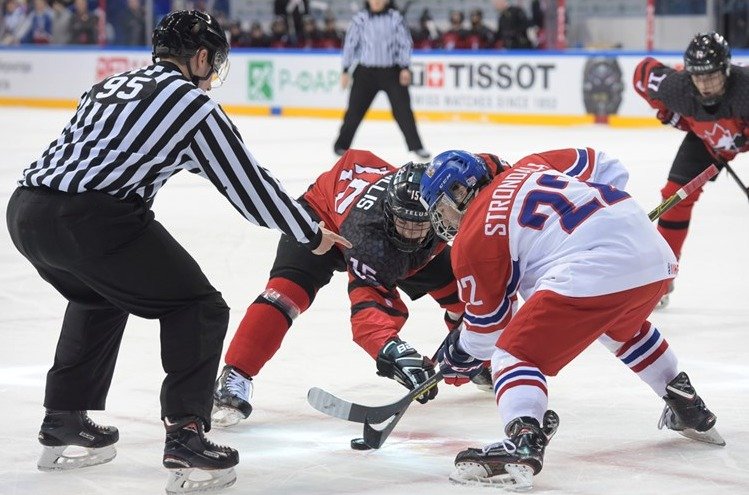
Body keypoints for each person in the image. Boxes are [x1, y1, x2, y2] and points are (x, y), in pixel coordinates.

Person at [5, 10, 348, 494]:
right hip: (92, 219)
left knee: (97, 294)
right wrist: (310, 232)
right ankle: (186, 436)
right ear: (201, 56)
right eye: (213, 61)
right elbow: (247, 186)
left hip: (26, 213)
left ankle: (63, 418)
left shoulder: (112, 84)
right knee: (198, 306)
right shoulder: (192, 105)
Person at [418, 148, 724, 489]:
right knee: (621, 329)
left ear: (461, 192)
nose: (443, 218)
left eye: (442, 206)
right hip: (653, 254)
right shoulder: (532, 165)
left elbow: (488, 330)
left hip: (593, 268)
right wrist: (597, 219)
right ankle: (685, 401)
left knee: (515, 354)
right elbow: (610, 166)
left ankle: (524, 439)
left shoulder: (473, 237)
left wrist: (458, 355)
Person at [212, 149, 497, 427]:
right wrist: (392, 352)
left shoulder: (442, 193)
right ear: (389, 213)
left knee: (468, 297)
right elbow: (368, 311)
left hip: (394, 238)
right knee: (284, 295)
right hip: (322, 221)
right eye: (403, 223)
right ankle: (236, 374)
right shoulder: (371, 242)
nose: (410, 233)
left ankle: (475, 357)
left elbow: (484, 169)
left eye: (418, 224)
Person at [633, 31, 748, 307]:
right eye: (698, 76)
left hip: (738, 132)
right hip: (707, 140)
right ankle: (663, 274)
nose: (705, 85)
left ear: (727, 70)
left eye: (712, 76)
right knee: (675, 197)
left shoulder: (746, 90)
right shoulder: (678, 87)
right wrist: (671, 113)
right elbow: (642, 74)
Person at [333, 0, 430, 161]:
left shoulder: (395, 18)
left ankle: (417, 146)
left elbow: (404, 43)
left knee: (403, 111)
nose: (376, 1)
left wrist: (405, 67)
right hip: (365, 72)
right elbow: (350, 44)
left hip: (392, 71)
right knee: (354, 111)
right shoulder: (360, 19)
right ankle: (341, 145)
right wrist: (345, 69)